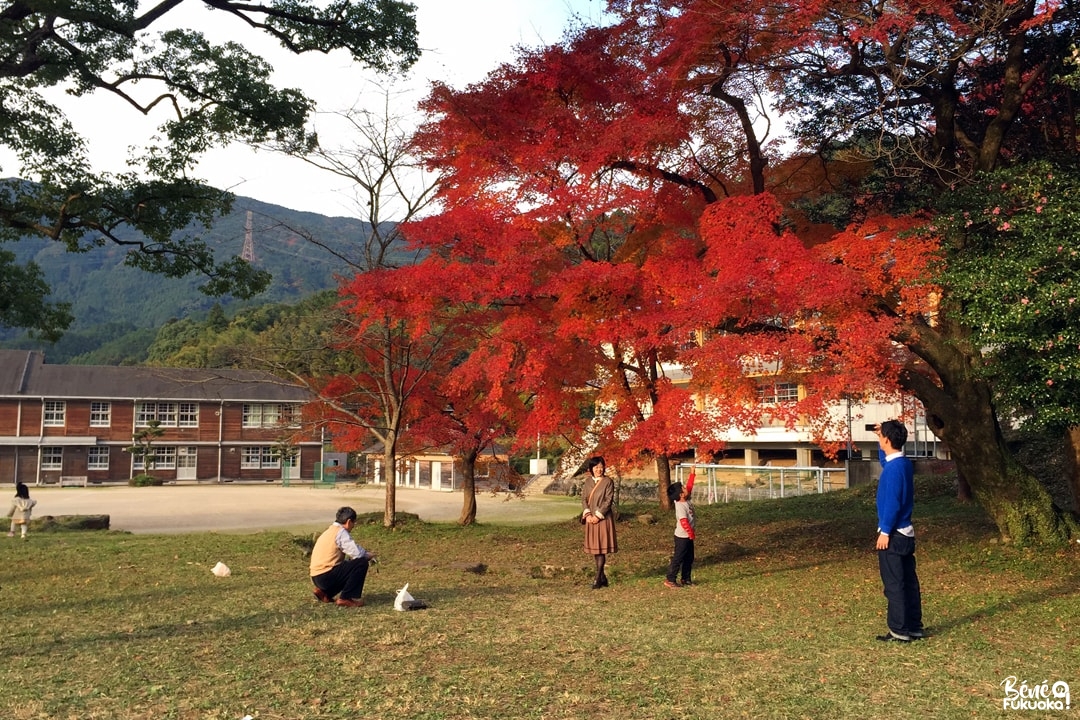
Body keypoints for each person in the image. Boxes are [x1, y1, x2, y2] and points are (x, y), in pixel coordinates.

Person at [874, 420, 924, 642]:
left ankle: (899, 630)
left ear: (887, 439)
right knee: (909, 582)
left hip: (894, 534)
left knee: (894, 584)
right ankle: (914, 627)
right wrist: (879, 438)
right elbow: (886, 460)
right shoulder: (902, 463)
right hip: (906, 533)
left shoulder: (895, 469)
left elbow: (892, 503)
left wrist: (885, 531)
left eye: (882, 436)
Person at [309, 506, 375, 608]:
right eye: (353, 523)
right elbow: (357, 553)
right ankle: (346, 598)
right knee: (361, 563)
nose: (353, 526)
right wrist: (368, 555)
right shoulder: (341, 532)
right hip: (326, 576)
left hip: (316, 576)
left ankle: (325, 593)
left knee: (347, 565)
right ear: (349, 522)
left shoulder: (329, 531)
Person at [581, 455, 618, 589]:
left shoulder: (608, 482)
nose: (599, 469)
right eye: (596, 467)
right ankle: (603, 577)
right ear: (591, 468)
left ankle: (597, 578)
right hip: (591, 518)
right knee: (596, 550)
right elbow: (584, 499)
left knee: (601, 548)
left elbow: (608, 500)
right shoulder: (588, 482)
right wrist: (588, 514)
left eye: (601, 467)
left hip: (603, 519)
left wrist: (598, 515)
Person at [664, 468, 696, 588]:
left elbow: (690, 486)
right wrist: (691, 534)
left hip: (688, 536)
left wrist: (692, 473)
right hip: (682, 537)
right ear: (681, 495)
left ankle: (685, 578)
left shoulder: (684, 499)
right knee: (678, 557)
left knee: (689, 557)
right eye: (683, 488)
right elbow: (684, 522)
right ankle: (670, 579)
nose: (685, 488)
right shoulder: (681, 506)